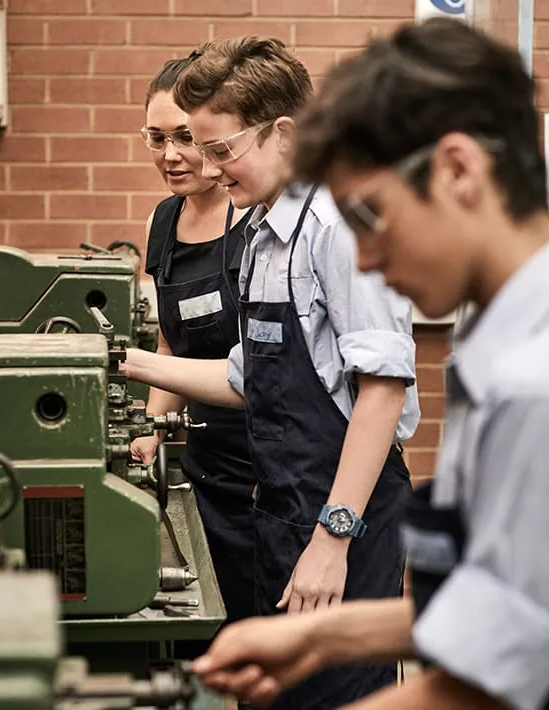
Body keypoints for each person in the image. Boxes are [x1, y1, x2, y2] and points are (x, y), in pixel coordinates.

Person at [189, 17, 549, 710]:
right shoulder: (494, 348)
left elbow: (506, 674)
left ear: (457, 171)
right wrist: (329, 639)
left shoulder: (531, 382)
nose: (368, 260)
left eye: (372, 214)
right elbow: (506, 616)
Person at [122, 37, 419, 709]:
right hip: (280, 512)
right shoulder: (262, 232)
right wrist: (125, 364)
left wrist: (332, 537)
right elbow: (246, 378)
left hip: (343, 518)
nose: (208, 165)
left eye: (221, 150)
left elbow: (382, 391)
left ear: (284, 133)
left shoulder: (339, 225)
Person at [129, 54, 256, 631]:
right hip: (207, 469)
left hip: (267, 467)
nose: (170, 155)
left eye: (184, 138)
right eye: (156, 138)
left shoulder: (255, 221)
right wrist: (152, 432)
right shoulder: (163, 220)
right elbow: (172, 341)